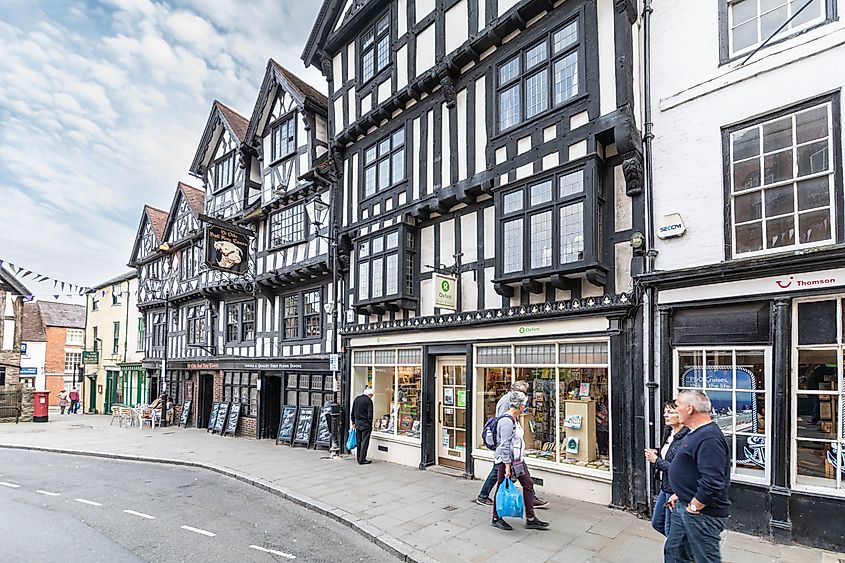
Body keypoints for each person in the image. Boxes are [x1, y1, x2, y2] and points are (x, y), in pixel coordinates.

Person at [664, 390, 731, 563]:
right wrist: (680, 494)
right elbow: (694, 470)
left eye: (677, 406)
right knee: (675, 552)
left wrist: (694, 507)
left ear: (689, 409)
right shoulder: (696, 432)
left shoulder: (709, 438)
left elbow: (713, 482)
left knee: (705, 559)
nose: (674, 410)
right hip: (685, 503)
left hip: (702, 513)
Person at [476, 380, 549, 509]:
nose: (525, 397)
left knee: (513, 474)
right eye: (524, 393)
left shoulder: (508, 400)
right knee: (501, 473)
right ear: (517, 391)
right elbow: (503, 425)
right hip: (506, 447)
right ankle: (489, 500)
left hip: (511, 448)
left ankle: (530, 498)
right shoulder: (507, 402)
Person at [490, 391, 549, 531]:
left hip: (518, 460)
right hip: (507, 461)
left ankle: (531, 518)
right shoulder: (506, 420)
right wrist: (507, 466)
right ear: (520, 405)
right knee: (502, 486)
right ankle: (496, 517)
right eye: (525, 404)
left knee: (528, 484)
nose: (526, 406)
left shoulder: (515, 418)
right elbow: (504, 445)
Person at [645, 400, 689, 536]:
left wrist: (656, 460)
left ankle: (683, 553)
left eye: (670, 412)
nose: (665, 415)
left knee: (671, 531)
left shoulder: (686, 439)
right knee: (657, 522)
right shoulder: (669, 432)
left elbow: (681, 469)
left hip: (677, 490)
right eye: (665, 412)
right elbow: (669, 453)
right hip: (666, 486)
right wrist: (658, 451)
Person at [351, 387, 374, 465]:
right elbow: (370, 414)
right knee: (365, 441)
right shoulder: (369, 401)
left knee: (359, 441)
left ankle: (358, 458)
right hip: (365, 424)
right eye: (372, 395)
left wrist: (353, 422)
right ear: (369, 394)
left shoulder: (357, 399)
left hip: (357, 422)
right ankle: (362, 459)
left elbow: (353, 411)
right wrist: (370, 422)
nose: (372, 397)